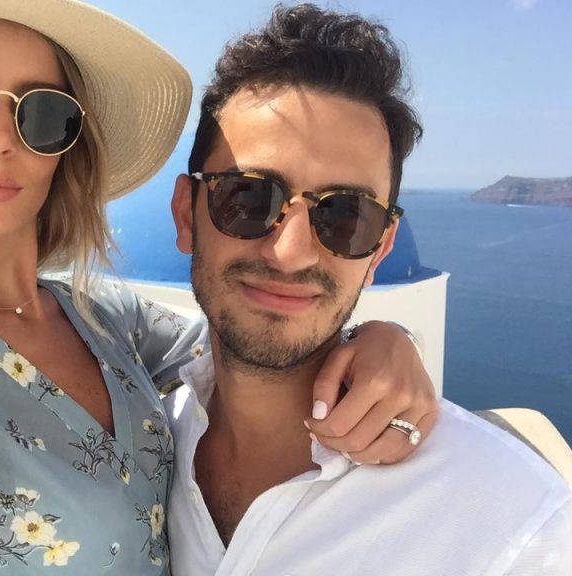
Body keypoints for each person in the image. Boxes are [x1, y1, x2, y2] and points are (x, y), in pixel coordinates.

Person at [0, 1, 438, 574]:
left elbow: (253, 344)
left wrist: (381, 338)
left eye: (41, 112)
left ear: (66, 147)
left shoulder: (101, 319)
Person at [166, 4, 572, 575]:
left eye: (346, 216)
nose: (292, 252)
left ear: (380, 248)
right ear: (188, 214)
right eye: (249, 197)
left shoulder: (516, 523)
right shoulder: (142, 431)